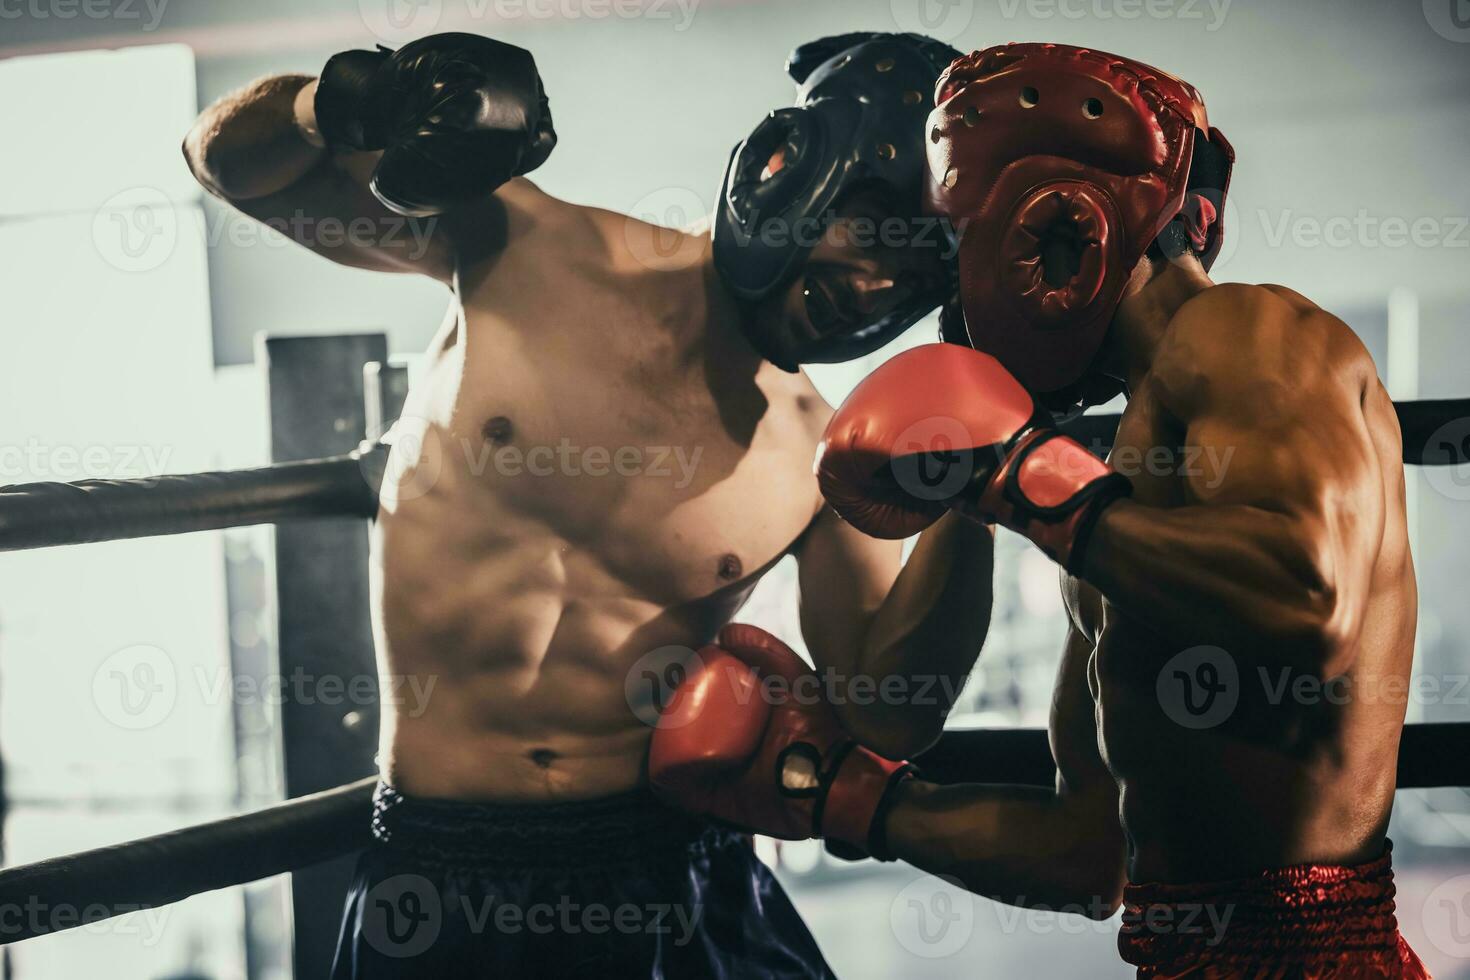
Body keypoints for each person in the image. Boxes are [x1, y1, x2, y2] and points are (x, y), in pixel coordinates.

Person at [182, 29, 995, 978]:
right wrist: (337, 103)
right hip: (443, 864)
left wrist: (987, 475)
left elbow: (891, 713)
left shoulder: (823, 449)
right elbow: (227, 164)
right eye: (874, 228)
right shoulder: (522, 244)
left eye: (918, 271)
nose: (873, 284)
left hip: (672, 881)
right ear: (789, 166)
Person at [653, 43, 1429, 978]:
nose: (956, 299)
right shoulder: (1119, 498)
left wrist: (1016, 474)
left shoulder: (1246, 331)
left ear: (1059, 236)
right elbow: (1084, 855)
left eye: (963, 249)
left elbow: (1308, 601)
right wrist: (849, 801)